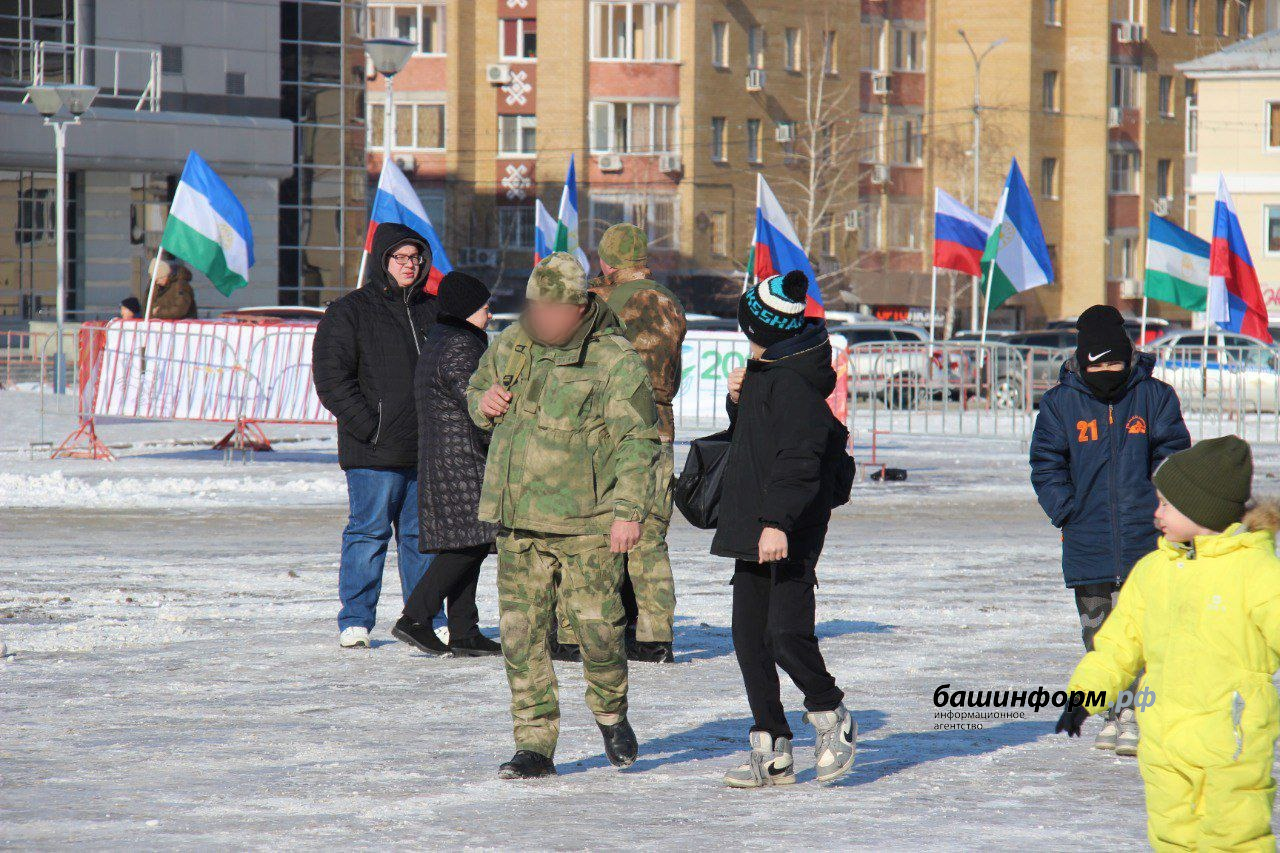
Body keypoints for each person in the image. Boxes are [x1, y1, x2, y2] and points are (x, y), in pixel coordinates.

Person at [467, 252, 660, 780]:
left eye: (554, 308)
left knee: (598, 632)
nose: (543, 318)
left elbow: (636, 441)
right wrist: (482, 402)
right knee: (520, 634)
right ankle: (534, 744)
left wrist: (629, 512)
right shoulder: (512, 343)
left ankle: (610, 711)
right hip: (518, 519)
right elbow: (474, 390)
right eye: (537, 307)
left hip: (588, 523)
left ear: (580, 307)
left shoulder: (614, 358)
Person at [1057, 436, 1280, 851]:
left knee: (1235, 837)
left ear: (1203, 509)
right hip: (1161, 742)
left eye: (1166, 504)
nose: (1156, 513)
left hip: (1232, 742)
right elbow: (1119, 645)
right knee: (1171, 837)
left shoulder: (1257, 572)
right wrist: (1084, 697)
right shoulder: (1154, 572)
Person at [714, 270, 855, 789]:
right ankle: (771, 748)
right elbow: (752, 443)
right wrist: (738, 400)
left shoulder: (792, 380)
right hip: (755, 522)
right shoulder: (768, 370)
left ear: (763, 327)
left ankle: (830, 715)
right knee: (749, 638)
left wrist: (777, 523)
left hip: (787, 526)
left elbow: (799, 458)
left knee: (785, 633)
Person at [1030, 304, 1190, 754]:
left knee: (1143, 631)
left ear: (1129, 356)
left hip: (1147, 538)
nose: (1107, 371)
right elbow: (1046, 464)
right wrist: (1066, 510)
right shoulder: (1061, 403)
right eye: (1098, 364)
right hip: (1087, 537)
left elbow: (1173, 456)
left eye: (1115, 363)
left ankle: (1139, 712)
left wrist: (1164, 509)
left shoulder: (1155, 397)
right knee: (1099, 633)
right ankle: (1114, 711)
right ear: (1083, 362)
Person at [553, 222, 685, 665]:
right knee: (649, 536)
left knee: (587, 532)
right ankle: (654, 637)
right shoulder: (670, 302)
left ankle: (572, 634)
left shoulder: (598, 300)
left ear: (606, 262)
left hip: (604, 428)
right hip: (658, 425)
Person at [312, 223, 439, 649]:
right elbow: (332, 379)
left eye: (416, 257)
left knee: (420, 538)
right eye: (401, 258)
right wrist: (371, 426)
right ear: (384, 261)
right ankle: (356, 619)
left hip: (424, 449)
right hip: (372, 449)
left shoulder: (432, 310)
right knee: (368, 534)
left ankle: (421, 617)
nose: (410, 265)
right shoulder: (350, 311)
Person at [393, 271, 502, 658]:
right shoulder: (460, 346)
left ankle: (463, 629)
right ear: (468, 310)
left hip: (450, 459)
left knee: (468, 542)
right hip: (463, 460)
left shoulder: (443, 340)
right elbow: (475, 403)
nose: (490, 315)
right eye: (486, 308)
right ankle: (416, 617)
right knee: (468, 544)